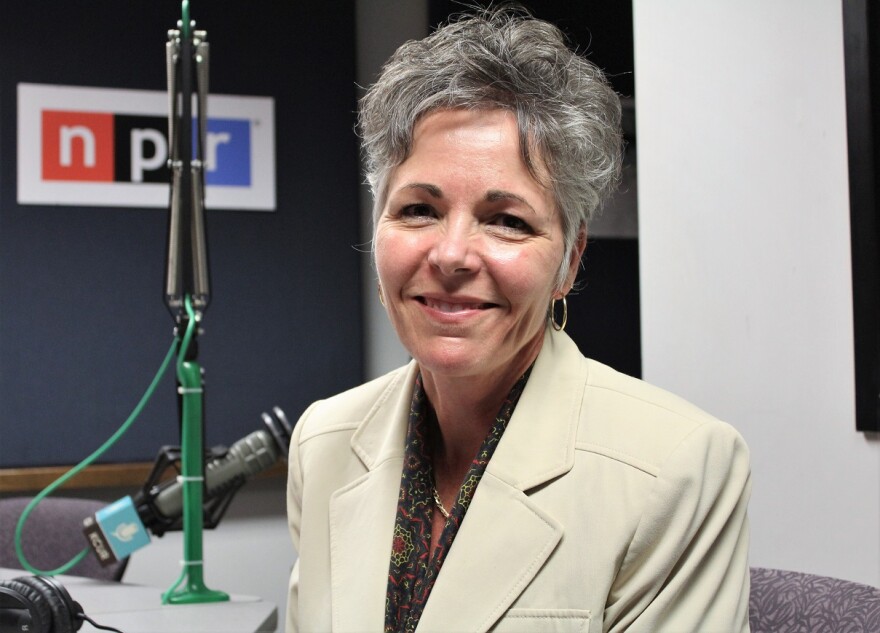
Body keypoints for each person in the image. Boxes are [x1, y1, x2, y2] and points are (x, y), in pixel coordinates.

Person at [286, 8, 751, 633]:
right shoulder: (324, 444)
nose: (451, 255)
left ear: (569, 260)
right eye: (419, 209)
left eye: (507, 220)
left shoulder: (678, 468)